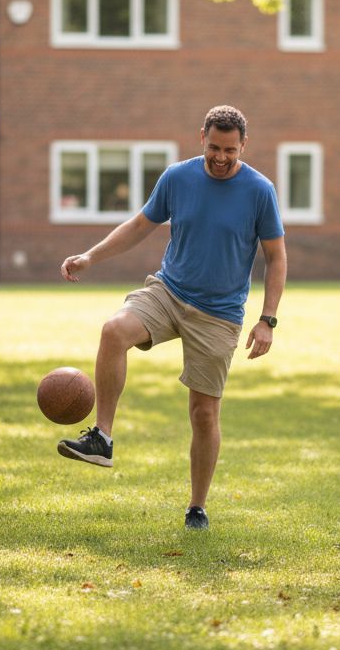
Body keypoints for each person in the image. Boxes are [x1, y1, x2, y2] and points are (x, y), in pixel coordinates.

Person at [56, 105, 287, 530]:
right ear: (202, 137)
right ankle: (102, 437)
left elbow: (276, 257)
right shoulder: (178, 178)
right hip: (169, 291)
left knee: (203, 413)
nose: (221, 157)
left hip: (219, 313)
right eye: (214, 148)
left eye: (230, 151)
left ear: (244, 146)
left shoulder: (259, 190)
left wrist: (267, 319)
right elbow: (139, 225)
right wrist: (90, 256)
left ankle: (197, 506)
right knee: (114, 331)